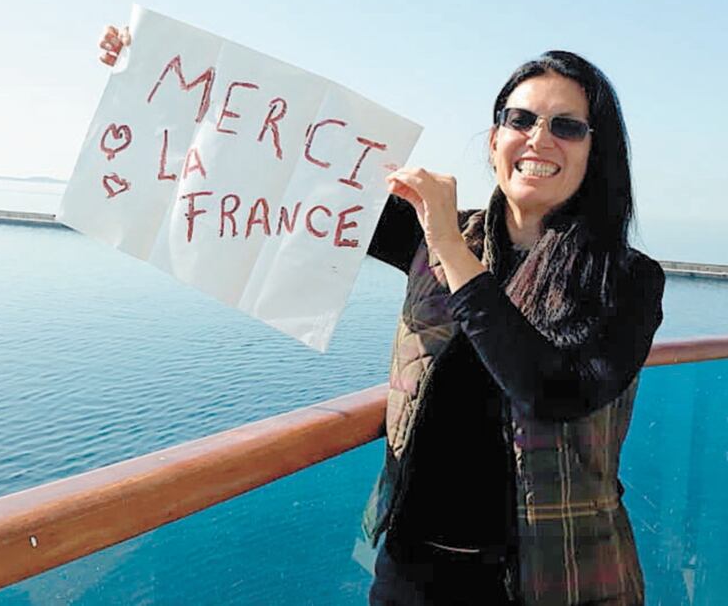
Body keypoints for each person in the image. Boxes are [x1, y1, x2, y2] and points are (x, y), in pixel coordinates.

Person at [97, 30, 663, 604]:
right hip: (410, 570)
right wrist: (156, 81)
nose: (539, 137)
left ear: (598, 152)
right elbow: (286, 168)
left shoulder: (628, 280)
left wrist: (446, 240)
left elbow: (548, 392)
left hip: (557, 579)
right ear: (495, 141)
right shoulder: (437, 232)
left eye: (566, 125)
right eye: (521, 119)